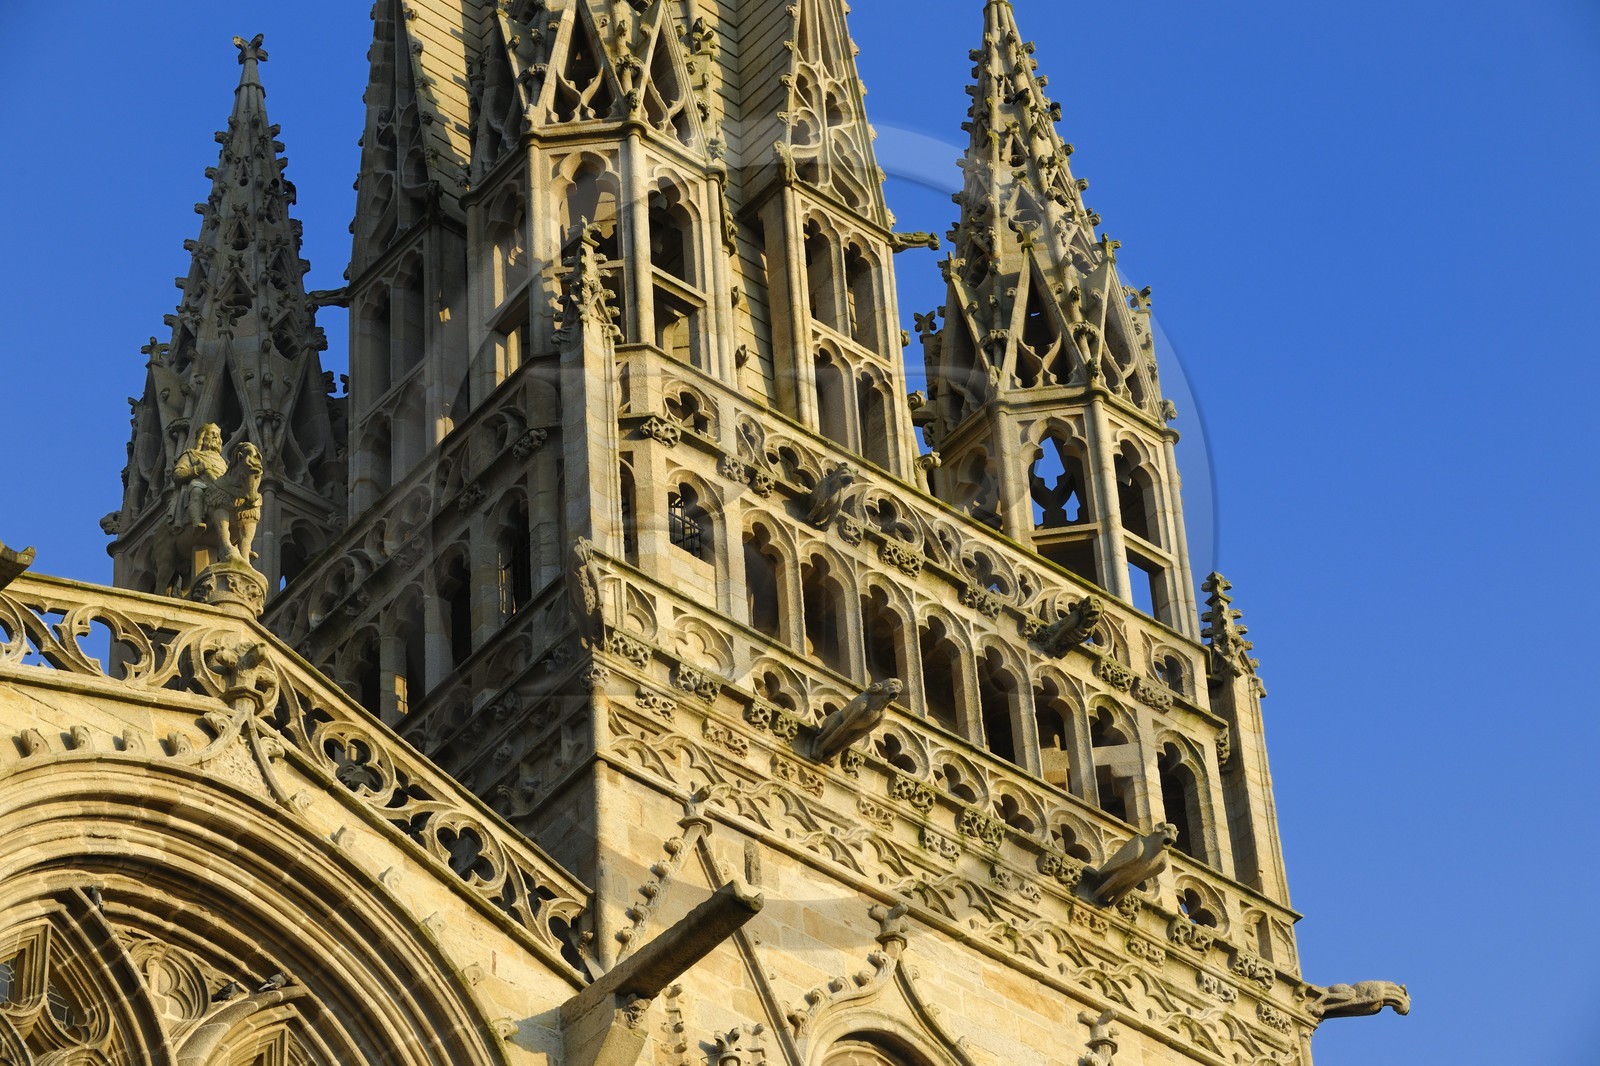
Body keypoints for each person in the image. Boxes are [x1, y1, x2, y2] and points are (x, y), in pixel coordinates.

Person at [169, 423, 228, 532]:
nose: (215, 437)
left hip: (219, 488)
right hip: (201, 484)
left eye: (217, 435)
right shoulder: (191, 454)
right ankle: (197, 522)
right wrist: (198, 469)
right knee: (197, 490)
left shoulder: (222, 461)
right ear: (203, 437)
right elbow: (177, 474)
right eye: (212, 434)